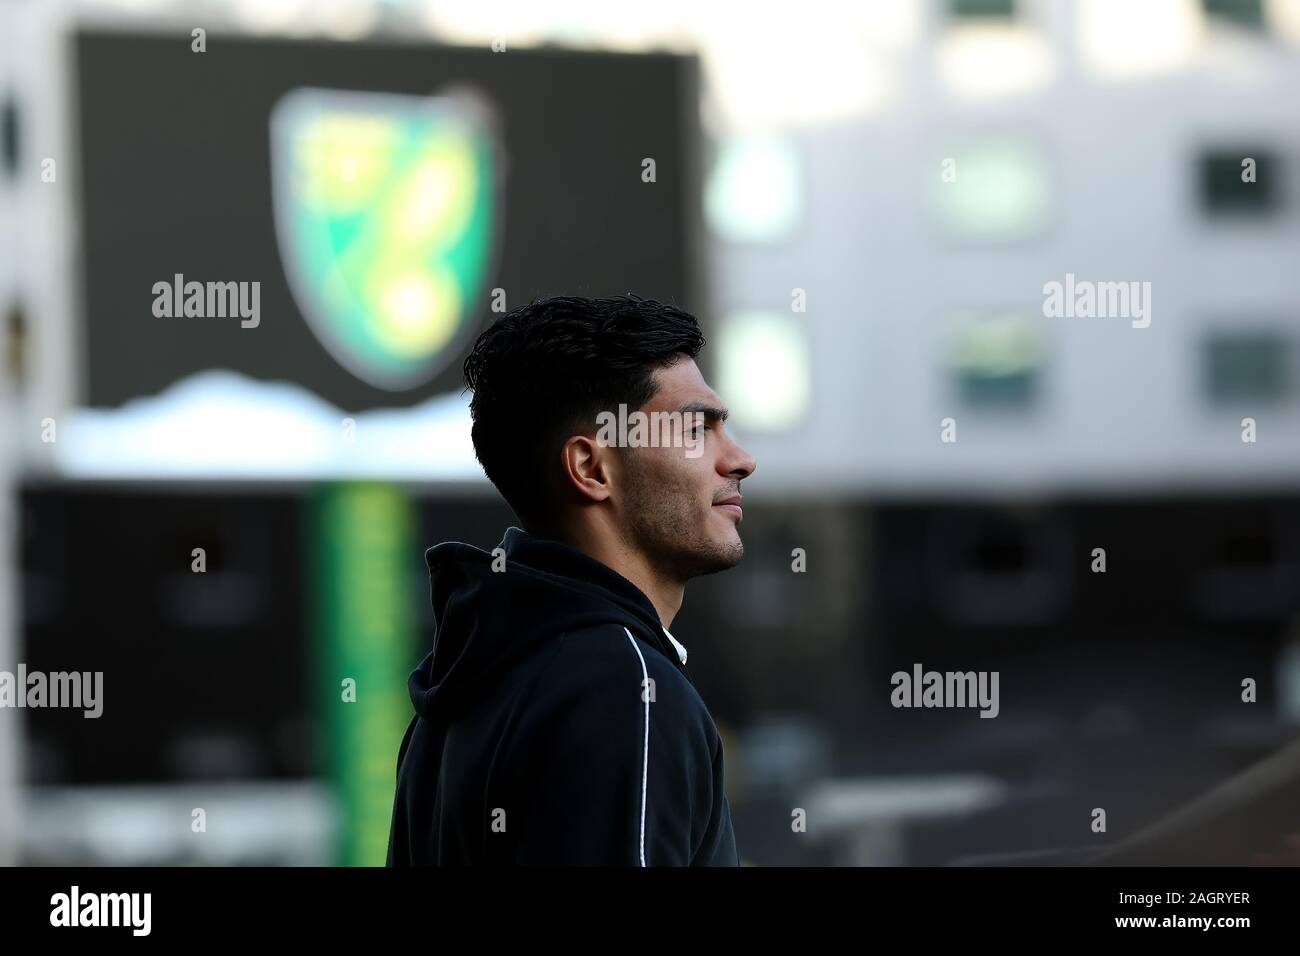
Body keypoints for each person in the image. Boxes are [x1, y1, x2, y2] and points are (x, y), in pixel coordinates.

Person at [387, 294, 756, 866]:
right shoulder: (630, 691)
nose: (739, 460)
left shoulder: (455, 696)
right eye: (695, 428)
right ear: (590, 468)